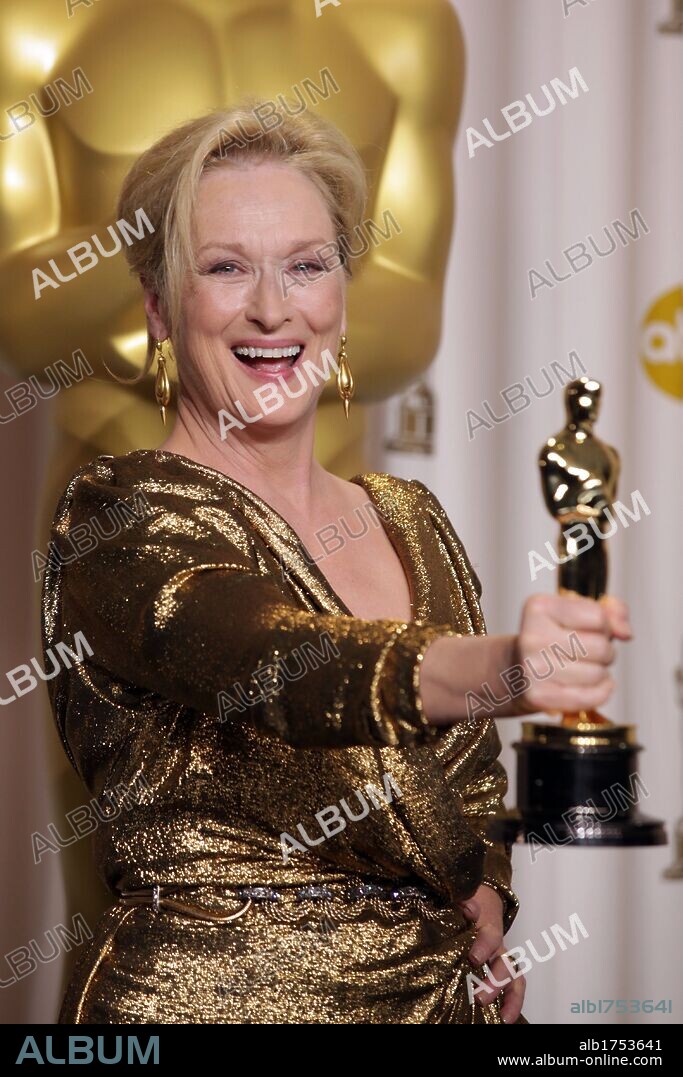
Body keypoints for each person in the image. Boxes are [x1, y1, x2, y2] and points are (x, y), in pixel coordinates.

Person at [41, 101, 630, 1024]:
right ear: (158, 305)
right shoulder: (119, 516)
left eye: (306, 266)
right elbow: (272, 661)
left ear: (341, 298)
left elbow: (469, 786)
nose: (273, 308)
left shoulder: (409, 517)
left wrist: (481, 901)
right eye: (225, 268)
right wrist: (506, 667)